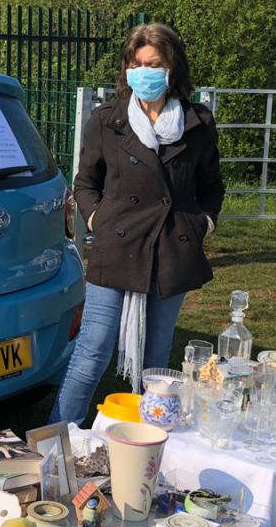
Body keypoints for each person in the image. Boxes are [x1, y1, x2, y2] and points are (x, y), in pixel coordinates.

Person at [48, 22, 225, 426]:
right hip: (118, 248)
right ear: (127, 68)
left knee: (156, 360)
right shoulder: (107, 120)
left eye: (155, 63)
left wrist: (204, 224)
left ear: (173, 68)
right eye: (137, 62)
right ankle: (54, 442)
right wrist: (98, 219)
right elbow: (85, 183)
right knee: (91, 352)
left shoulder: (197, 123)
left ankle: (148, 442)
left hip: (172, 250)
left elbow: (211, 185)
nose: (144, 71)